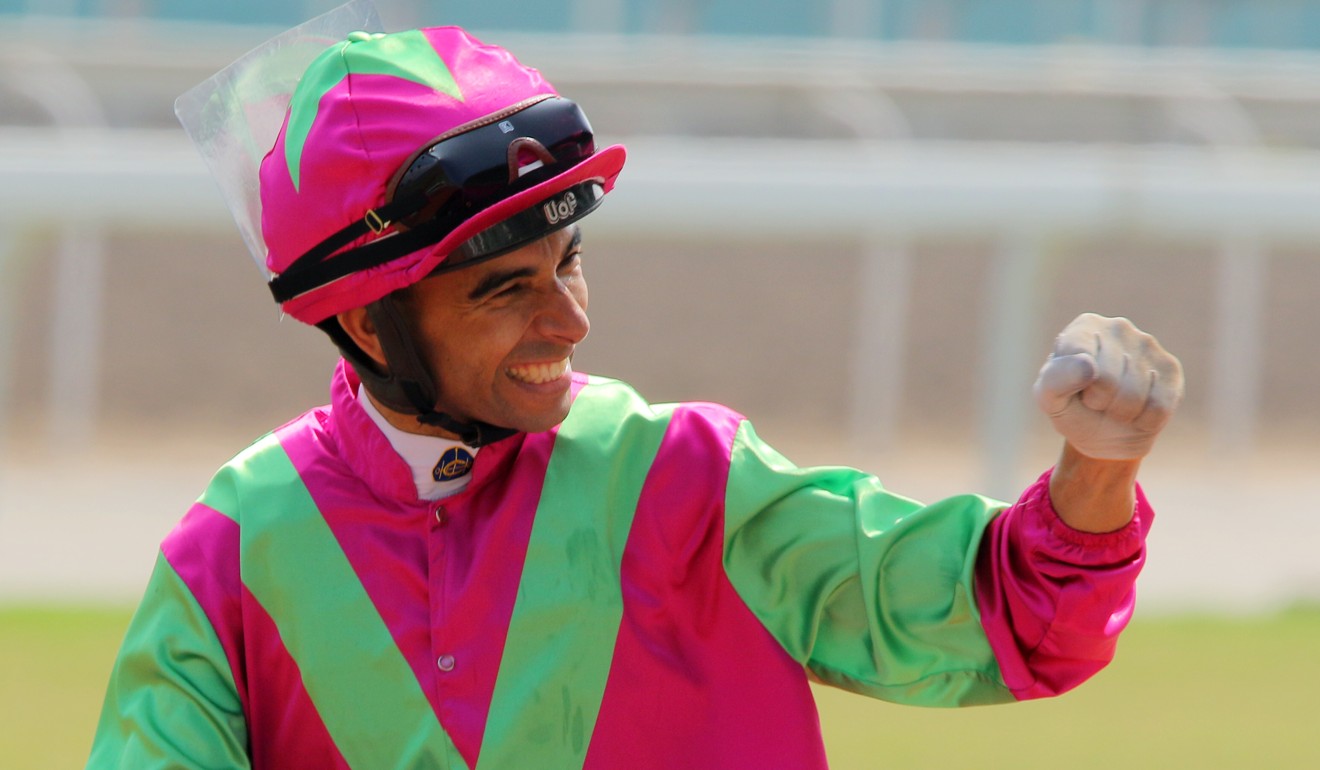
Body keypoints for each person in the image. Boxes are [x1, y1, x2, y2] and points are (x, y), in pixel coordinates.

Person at [86, 21, 1183, 770]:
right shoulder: (232, 551)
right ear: (370, 321)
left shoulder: (686, 478)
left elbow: (1007, 616)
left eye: (567, 262)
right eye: (506, 289)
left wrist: (1097, 469)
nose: (568, 321)